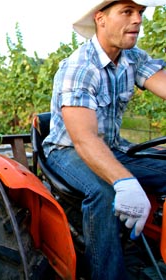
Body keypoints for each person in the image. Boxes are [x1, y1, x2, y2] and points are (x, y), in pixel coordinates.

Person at [42, 0, 166, 279]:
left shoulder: (132, 58)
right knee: (105, 192)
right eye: (127, 12)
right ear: (101, 19)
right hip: (67, 151)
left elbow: (161, 81)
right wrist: (124, 181)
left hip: (111, 147)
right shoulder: (80, 67)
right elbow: (84, 140)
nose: (137, 20)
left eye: (140, 13)